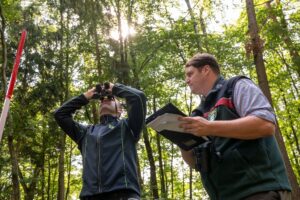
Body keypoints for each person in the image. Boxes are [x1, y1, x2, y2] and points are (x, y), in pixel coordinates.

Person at [178, 53, 292, 200]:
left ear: (206, 70)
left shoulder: (237, 86)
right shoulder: (198, 113)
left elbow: (265, 125)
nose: (187, 80)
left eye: (190, 74)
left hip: (261, 190)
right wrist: (181, 141)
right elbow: (196, 164)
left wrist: (209, 127)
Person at [54, 82, 146, 200]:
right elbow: (60, 115)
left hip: (124, 195)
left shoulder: (128, 126)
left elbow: (138, 97)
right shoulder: (86, 132)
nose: (105, 99)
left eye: (111, 98)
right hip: (90, 196)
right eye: (102, 99)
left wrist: (115, 88)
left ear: (120, 111)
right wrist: (87, 95)